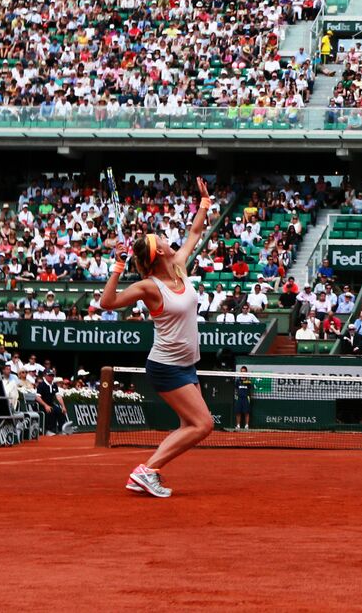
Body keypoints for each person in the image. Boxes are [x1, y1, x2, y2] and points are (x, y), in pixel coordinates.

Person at [98, 177, 215, 498]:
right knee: (203, 424)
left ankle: (150, 472)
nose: (166, 239)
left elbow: (195, 233)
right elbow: (107, 303)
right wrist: (118, 266)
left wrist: (204, 203)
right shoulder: (149, 286)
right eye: (162, 238)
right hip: (166, 366)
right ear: (159, 250)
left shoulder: (178, 267)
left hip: (187, 364)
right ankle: (147, 470)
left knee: (190, 425)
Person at [234, 365, 253, 430]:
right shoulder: (238, 381)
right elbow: (236, 389)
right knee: (238, 412)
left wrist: (249, 397)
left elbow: (250, 389)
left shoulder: (249, 381)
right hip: (239, 398)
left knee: (246, 412)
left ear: (246, 372)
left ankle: (246, 425)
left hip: (246, 398)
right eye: (242, 371)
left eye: (244, 371)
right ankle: (238, 425)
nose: (243, 372)